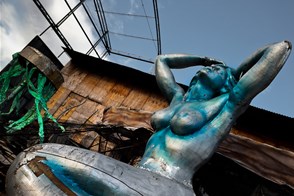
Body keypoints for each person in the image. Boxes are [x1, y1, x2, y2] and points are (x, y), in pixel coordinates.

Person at [138, 41, 292, 185]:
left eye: (218, 70)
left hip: (170, 183)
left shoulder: (227, 104)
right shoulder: (178, 99)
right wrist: (203, 60)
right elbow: (162, 60)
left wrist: (236, 72)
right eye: (211, 67)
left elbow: (279, 49)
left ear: (226, 82)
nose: (212, 67)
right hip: (139, 174)